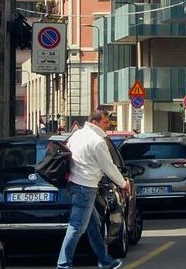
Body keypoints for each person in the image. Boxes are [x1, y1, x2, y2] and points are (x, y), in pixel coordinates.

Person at [56, 107, 128, 269]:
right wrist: (123, 184)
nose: (108, 125)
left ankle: (105, 261)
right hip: (86, 187)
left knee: (94, 225)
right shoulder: (97, 141)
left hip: (74, 185)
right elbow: (108, 167)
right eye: (105, 122)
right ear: (95, 122)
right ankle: (63, 265)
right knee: (76, 227)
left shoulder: (76, 135)